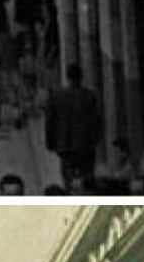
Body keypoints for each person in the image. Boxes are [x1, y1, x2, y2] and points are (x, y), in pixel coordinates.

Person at [44, 63, 104, 191]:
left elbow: (50, 121)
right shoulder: (90, 96)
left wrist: (50, 143)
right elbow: (97, 120)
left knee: (68, 177)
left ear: (67, 77)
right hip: (86, 146)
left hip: (66, 146)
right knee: (87, 177)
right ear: (81, 77)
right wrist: (96, 139)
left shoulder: (57, 97)